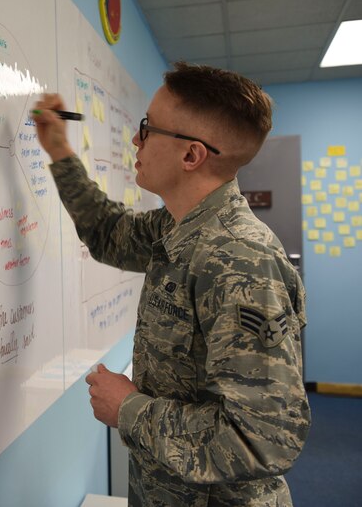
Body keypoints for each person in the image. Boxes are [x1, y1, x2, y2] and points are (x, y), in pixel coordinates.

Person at [32, 62, 311, 506]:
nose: (136, 139)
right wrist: (60, 152)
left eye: (148, 128)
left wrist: (129, 409)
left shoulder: (242, 260)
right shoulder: (179, 226)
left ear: (191, 155)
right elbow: (107, 232)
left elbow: (264, 439)